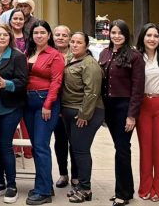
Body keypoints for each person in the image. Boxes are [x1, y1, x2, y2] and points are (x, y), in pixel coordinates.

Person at [98, 20, 145, 206]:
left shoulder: (134, 56)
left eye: (121, 33)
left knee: (122, 149)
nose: (116, 36)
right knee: (120, 148)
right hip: (108, 106)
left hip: (124, 107)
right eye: (114, 32)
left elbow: (138, 88)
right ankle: (127, 189)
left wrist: (132, 115)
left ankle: (122, 193)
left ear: (126, 35)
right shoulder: (105, 52)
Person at [24, 20, 65, 205]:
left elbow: (56, 82)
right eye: (36, 32)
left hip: (44, 103)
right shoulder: (29, 53)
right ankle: (44, 184)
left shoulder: (55, 55)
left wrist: (48, 105)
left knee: (41, 146)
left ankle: (44, 192)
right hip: (27, 102)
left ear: (49, 35)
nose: (39, 35)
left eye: (42, 32)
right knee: (36, 146)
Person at [61, 32, 104, 203]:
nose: (74, 44)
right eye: (72, 41)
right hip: (70, 111)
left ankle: (86, 189)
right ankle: (79, 185)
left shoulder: (89, 64)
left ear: (86, 46)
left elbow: (92, 92)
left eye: (79, 42)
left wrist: (84, 114)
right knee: (76, 149)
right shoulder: (70, 59)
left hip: (85, 113)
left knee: (81, 151)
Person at [0, 24, 27, 204]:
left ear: (10, 37)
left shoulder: (17, 56)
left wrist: (6, 84)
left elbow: (22, 82)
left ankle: (11, 185)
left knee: (4, 145)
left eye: (5, 35)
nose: (1, 38)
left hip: (10, 107)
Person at [135, 23, 159, 202]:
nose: (152, 39)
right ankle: (145, 188)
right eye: (148, 35)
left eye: (156, 36)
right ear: (143, 37)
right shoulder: (136, 56)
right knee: (145, 149)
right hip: (143, 105)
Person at [51, 25, 76, 190]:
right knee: (60, 142)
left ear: (69, 38)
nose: (60, 37)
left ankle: (77, 175)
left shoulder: (76, 56)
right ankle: (63, 173)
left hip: (73, 105)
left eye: (64, 35)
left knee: (75, 143)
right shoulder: (49, 54)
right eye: (57, 35)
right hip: (55, 105)